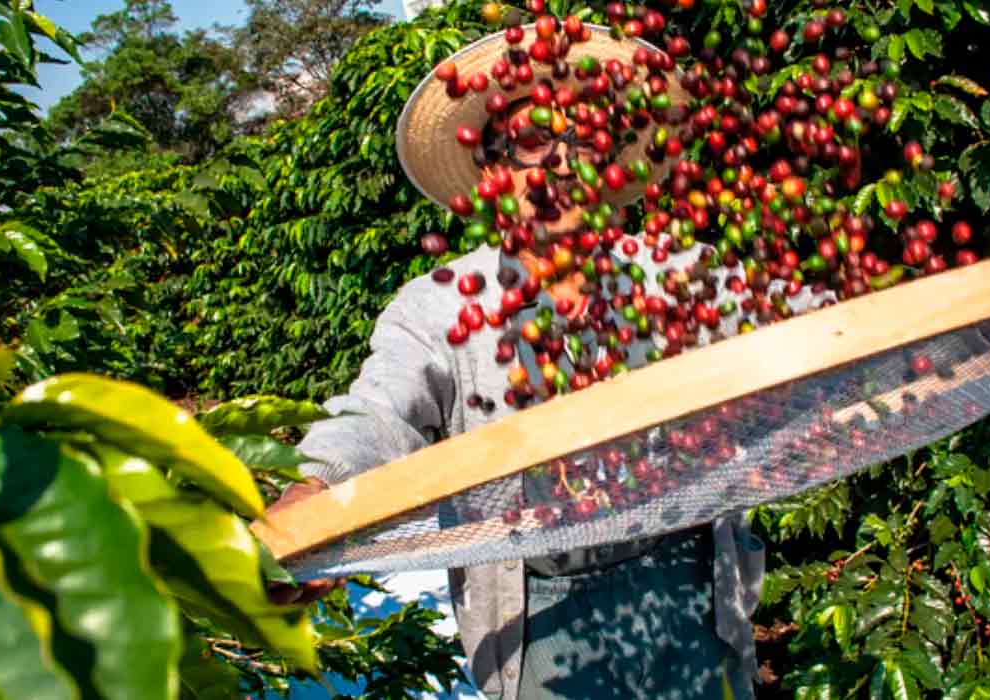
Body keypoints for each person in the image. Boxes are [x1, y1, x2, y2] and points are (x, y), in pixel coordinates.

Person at [266, 21, 835, 700]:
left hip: (687, 582)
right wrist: (314, 492)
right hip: (543, 611)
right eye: (538, 141)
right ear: (493, 167)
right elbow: (379, 413)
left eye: (586, 139)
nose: (564, 163)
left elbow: (804, 323)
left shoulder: (672, 273)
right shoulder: (444, 305)